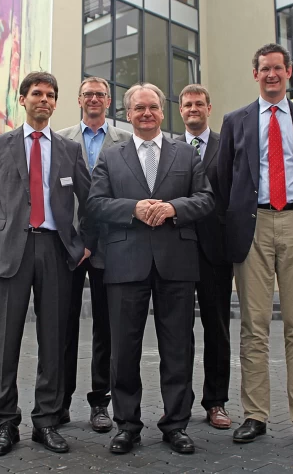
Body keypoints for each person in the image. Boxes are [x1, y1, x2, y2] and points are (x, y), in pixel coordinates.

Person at [87, 83, 214, 455]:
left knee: (178, 347)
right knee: (123, 349)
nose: (146, 113)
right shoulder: (111, 156)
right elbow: (95, 204)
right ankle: (127, 424)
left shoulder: (185, 154)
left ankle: (176, 424)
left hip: (176, 262)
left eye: (153, 107)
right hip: (126, 264)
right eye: (139, 108)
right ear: (128, 114)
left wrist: (174, 208)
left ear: (163, 112)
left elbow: (206, 198)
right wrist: (133, 208)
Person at [217, 43, 293, 449]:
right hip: (254, 226)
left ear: (288, 73)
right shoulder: (236, 121)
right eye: (264, 69)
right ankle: (255, 415)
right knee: (254, 327)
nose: (271, 75)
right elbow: (222, 181)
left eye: (277, 69)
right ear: (255, 74)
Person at [0, 72, 92, 456]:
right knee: (4, 341)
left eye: (50, 95)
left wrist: (85, 243)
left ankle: (47, 421)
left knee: (54, 341)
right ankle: (5, 422)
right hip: (10, 249)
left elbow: (91, 200)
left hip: (56, 250)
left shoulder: (70, 149)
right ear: (22, 99)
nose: (44, 99)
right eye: (37, 93)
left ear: (56, 103)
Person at [56, 77, 132, 433]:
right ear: (79, 99)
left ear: (109, 100)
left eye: (100, 95)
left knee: (106, 328)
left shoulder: (126, 140)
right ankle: (59, 401)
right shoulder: (60, 139)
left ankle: (100, 402)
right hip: (67, 244)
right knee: (63, 326)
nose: (94, 99)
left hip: (110, 246)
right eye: (88, 94)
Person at [176, 84, 233, 430]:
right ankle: (179, 403)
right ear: (180, 110)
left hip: (216, 252)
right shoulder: (167, 148)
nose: (193, 108)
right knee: (178, 332)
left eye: (199, 103)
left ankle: (216, 402)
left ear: (209, 108)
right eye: (187, 104)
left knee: (217, 330)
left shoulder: (227, 146)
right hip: (178, 251)